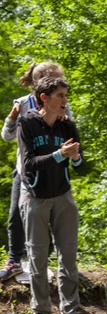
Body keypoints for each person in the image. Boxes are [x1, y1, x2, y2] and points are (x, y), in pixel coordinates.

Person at [17, 77, 85, 314]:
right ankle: (41, 311)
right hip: (35, 198)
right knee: (37, 256)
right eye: (60, 96)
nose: (65, 101)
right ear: (44, 98)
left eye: (66, 96)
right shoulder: (27, 123)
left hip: (63, 197)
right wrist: (59, 154)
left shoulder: (68, 126)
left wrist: (75, 157)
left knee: (68, 256)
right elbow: (28, 164)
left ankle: (71, 310)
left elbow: (81, 167)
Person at [0, 62, 72, 282]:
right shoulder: (22, 103)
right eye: (56, 79)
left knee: (50, 218)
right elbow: (7, 137)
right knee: (16, 216)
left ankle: (47, 262)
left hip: (54, 169)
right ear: (40, 83)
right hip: (25, 170)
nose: (61, 85)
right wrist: (12, 119)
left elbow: (71, 131)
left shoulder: (61, 102)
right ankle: (14, 260)